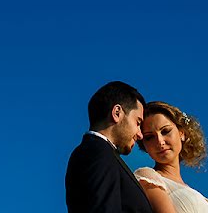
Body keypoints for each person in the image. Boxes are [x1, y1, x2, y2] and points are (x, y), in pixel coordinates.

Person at [66, 81, 154, 213]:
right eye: (138, 122)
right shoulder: (97, 152)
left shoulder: (97, 152)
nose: (140, 134)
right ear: (117, 113)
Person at [134, 101, 208, 213]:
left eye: (165, 131)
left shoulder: (192, 191)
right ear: (144, 145)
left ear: (182, 133)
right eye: (149, 137)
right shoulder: (147, 177)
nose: (160, 141)